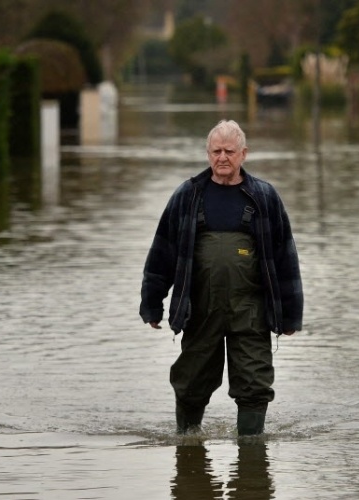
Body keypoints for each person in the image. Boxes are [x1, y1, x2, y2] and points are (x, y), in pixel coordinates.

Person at [140, 119, 303, 436]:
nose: (222, 158)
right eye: (216, 151)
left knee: (255, 383)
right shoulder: (187, 196)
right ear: (207, 153)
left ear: (244, 154)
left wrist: (291, 315)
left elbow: (286, 259)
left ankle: (252, 457)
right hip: (200, 309)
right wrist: (151, 304)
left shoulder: (264, 198)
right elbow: (162, 253)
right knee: (191, 382)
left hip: (251, 311)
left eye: (229, 151)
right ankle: (188, 443)